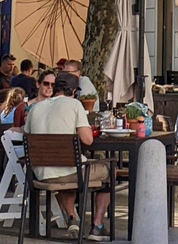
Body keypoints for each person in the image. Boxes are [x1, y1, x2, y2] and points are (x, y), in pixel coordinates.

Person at [24, 72, 112, 241]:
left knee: (65, 174)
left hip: (41, 174)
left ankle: (73, 217)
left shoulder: (35, 107)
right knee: (109, 170)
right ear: (73, 91)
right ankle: (97, 226)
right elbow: (87, 139)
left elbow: (27, 134)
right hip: (67, 170)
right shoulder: (74, 105)